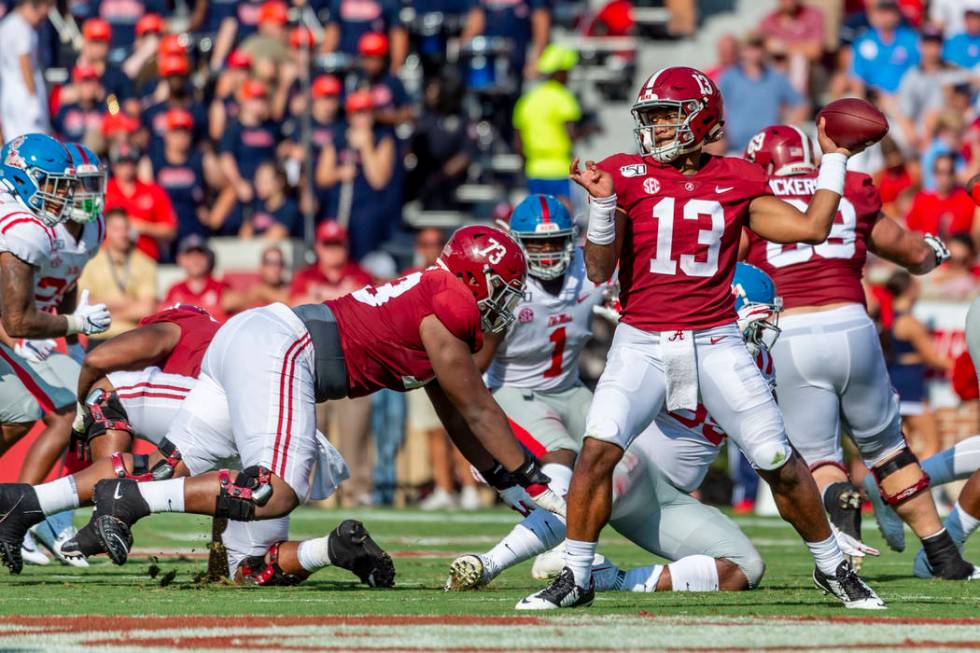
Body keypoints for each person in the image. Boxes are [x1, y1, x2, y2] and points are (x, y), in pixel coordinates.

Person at [519, 66, 883, 611]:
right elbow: (598, 270)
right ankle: (576, 574)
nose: (657, 128)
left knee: (777, 458)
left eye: (668, 115)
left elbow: (811, 229)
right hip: (641, 337)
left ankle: (832, 567)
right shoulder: (622, 173)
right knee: (597, 451)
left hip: (715, 338)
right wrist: (599, 207)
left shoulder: (737, 178)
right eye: (652, 117)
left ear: (701, 119)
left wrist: (834, 159)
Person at [57, 225, 562, 570]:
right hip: (284, 347)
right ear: (476, 277)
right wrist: (534, 479)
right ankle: (129, 499)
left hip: (259, 337)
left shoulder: (434, 301)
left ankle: (60, 518)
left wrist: (504, 481)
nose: (507, 302)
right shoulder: (449, 306)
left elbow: (456, 415)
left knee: (177, 467)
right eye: (504, 288)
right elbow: (478, 408)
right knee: (273, 490)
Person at [449, 264, 798, 595]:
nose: (763, 334)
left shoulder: (761, 365)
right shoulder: (674, 348)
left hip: (669, 502)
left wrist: (820, 526)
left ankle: (616, 579)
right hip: (631, 468)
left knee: (746, 568)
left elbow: (769, 444)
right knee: (618, 468)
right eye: (756, 322)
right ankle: (488, 563)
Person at [0, 304, 396, 589]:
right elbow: (223, 495)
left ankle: (46, 504)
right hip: (282, 437)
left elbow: (102, 357)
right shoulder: (236, 341)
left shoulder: (179, 324)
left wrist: (83, 402)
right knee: (251, 569)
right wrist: (215, 563)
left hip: (232, 413)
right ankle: (332, 549)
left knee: (109, 395)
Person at [742, 124, 977, 580]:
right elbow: (909, 252)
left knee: (819, 458)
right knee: (890, 451)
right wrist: (933, 253)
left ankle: (840, 505)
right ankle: (943, 554)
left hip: (790, 329)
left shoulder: (755, 193)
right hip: (853, 323)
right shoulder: (847, 186)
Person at [0, 138, 110, 566]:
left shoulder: (80, 229)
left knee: (32, 410)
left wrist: (67, 338)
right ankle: (24, 512)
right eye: (55, 185)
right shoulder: (22, 227)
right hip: (17, 330)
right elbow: (14, 318)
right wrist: (73, 327)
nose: (63, 196)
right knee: (61, 412)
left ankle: (31, 509)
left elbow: (53, 295)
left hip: (29, 329)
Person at [314, 91, 396, 260]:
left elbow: (379, 180)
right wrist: (339, 173)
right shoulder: (337, 139)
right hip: (339, 208)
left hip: (367, 210)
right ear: (350, 116)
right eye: (358, 113)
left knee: (364, 259)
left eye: (366, 112)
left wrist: (366, 147)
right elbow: (322, 177)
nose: (363, 118)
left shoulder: (382, 140)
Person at [884, 271, 952, 461]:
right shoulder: (910, 322)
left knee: (903, 450)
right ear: (909, 289)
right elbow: (932, 358)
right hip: (911, 386)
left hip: (894, 382)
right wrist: (963, 364)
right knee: (933, 443)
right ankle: (921, 485)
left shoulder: (888, 317)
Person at [77, 208, 157, 345]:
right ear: (106, 231)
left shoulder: (145, 263)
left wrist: (105, 314)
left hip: (131, 336)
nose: (123, 234)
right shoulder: (90, 262)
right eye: (116, 229)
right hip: (97, 337)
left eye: (126, 228)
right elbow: (84, 303)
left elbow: (146, 309)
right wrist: (127, 302)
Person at [512, 45, 582, 202]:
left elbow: (518, 143)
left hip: (534, 171)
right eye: (566, 72)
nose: (568, 76)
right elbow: (571, 135)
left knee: (540, 219)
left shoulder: (526, 100)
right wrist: (590, 130)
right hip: (561, 169)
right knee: (568, 218)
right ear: (558, 73)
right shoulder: (563, 97)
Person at [717, 33, 806, 153]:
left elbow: (801, 104)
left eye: (758, 47)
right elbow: (714, 106)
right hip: (735, 149)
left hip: (768, 149)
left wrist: (786, 129)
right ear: (742, 51)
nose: (754, 52)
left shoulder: (776, 77)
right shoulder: (729, 77)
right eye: (750, 47)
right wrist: (720, 135)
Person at [104, 144, 178, 262]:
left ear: (137, 165)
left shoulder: (154, 191)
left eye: (130, 163)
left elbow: (170, 230)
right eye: (122, 163)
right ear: (114, 166)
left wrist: (143, 227)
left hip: (146, 257)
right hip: (109, 259)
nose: (126, 168)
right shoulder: (103, 191)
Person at [0, 0, 52, 141]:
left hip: (8, 96)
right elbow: (25, 65)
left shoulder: (5, 25)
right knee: (35, 142)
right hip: (24, 97)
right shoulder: (22, 28)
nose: (42, 18)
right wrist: (32, 100)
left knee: (13, 142)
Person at [849, 0, 920, 97]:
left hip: (903, 97)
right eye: (881, 12)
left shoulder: (911, 39)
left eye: (890, 12)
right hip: (872, 97)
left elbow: (917, 73)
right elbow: (857, 76)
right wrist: (861, 101)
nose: (886, 17)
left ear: (897, 15)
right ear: (872, 16)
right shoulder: (863, 41)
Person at [905, 154, 979, 241]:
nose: (945, 177)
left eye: (949, 172)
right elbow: (909, 231)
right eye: (941, 172)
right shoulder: (921, 199)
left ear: (954, 174)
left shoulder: (967, 199)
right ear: (934, 174)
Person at [162, 236, 231, 322]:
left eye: (200, 255)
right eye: (190, 256)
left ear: (208, 258)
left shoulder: (221, 287)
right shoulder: (174, 290)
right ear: (180, 259)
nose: (195, 260)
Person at [242, 162, 299, 240]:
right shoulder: (255, 203)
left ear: (279, 182)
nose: (258, 184)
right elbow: (244, 236)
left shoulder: (289, 207)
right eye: (257, 180)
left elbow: (275, 236)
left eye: (264, 180)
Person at [224, 246, 290, 313]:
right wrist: (251, 296)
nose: (275, 268)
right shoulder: (253, 284)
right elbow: (228, 303)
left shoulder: (288, 287)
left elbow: (292, 304)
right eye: (269, 263)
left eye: (279, 263)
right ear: (261, 267)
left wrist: (263, 292)